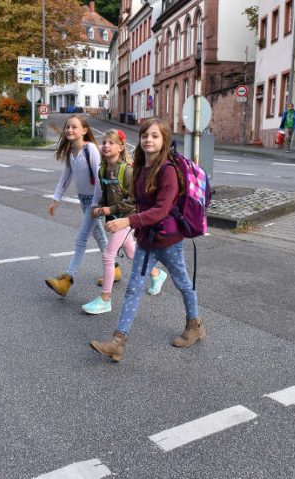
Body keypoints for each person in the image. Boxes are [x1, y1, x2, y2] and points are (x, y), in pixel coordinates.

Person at [89, 118, 203, 363]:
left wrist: (127, 222)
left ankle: (194, 325)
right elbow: (138, 202)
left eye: (154, 136)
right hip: (146, 239)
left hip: (168, 239)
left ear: (164, 141)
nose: (148, 140)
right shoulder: (140, 167)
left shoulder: (168, 170)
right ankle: (118, 342)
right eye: (144, 136)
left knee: (183, 283)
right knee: (133, 288)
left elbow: (162, 209)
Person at [82, 129, 167, 315]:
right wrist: (100, 208)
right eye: (104, 142)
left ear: (120, 148)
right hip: (115, 218)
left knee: (108, 254)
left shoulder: (127, 170)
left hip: (128, 218)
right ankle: (157, 274)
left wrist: (110, 210)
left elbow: (134, 200)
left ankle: (105, 299)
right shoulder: (103, 169)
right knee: (131, 253)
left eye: (111, 143)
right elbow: (105, 194)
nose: (106, 146)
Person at [45, 114, 108, 297]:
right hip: (84, 199)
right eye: (68, 127)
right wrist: (56, 200)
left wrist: (96, 206)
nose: (70, 130)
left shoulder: (91, 150)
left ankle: (67, 280)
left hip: (95, 201)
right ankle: (115, 269)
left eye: (74, 127)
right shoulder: (70, 152)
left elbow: (99, 180)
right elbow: (64, 179)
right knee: (100, 237)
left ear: (84, 131)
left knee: (81, 239)